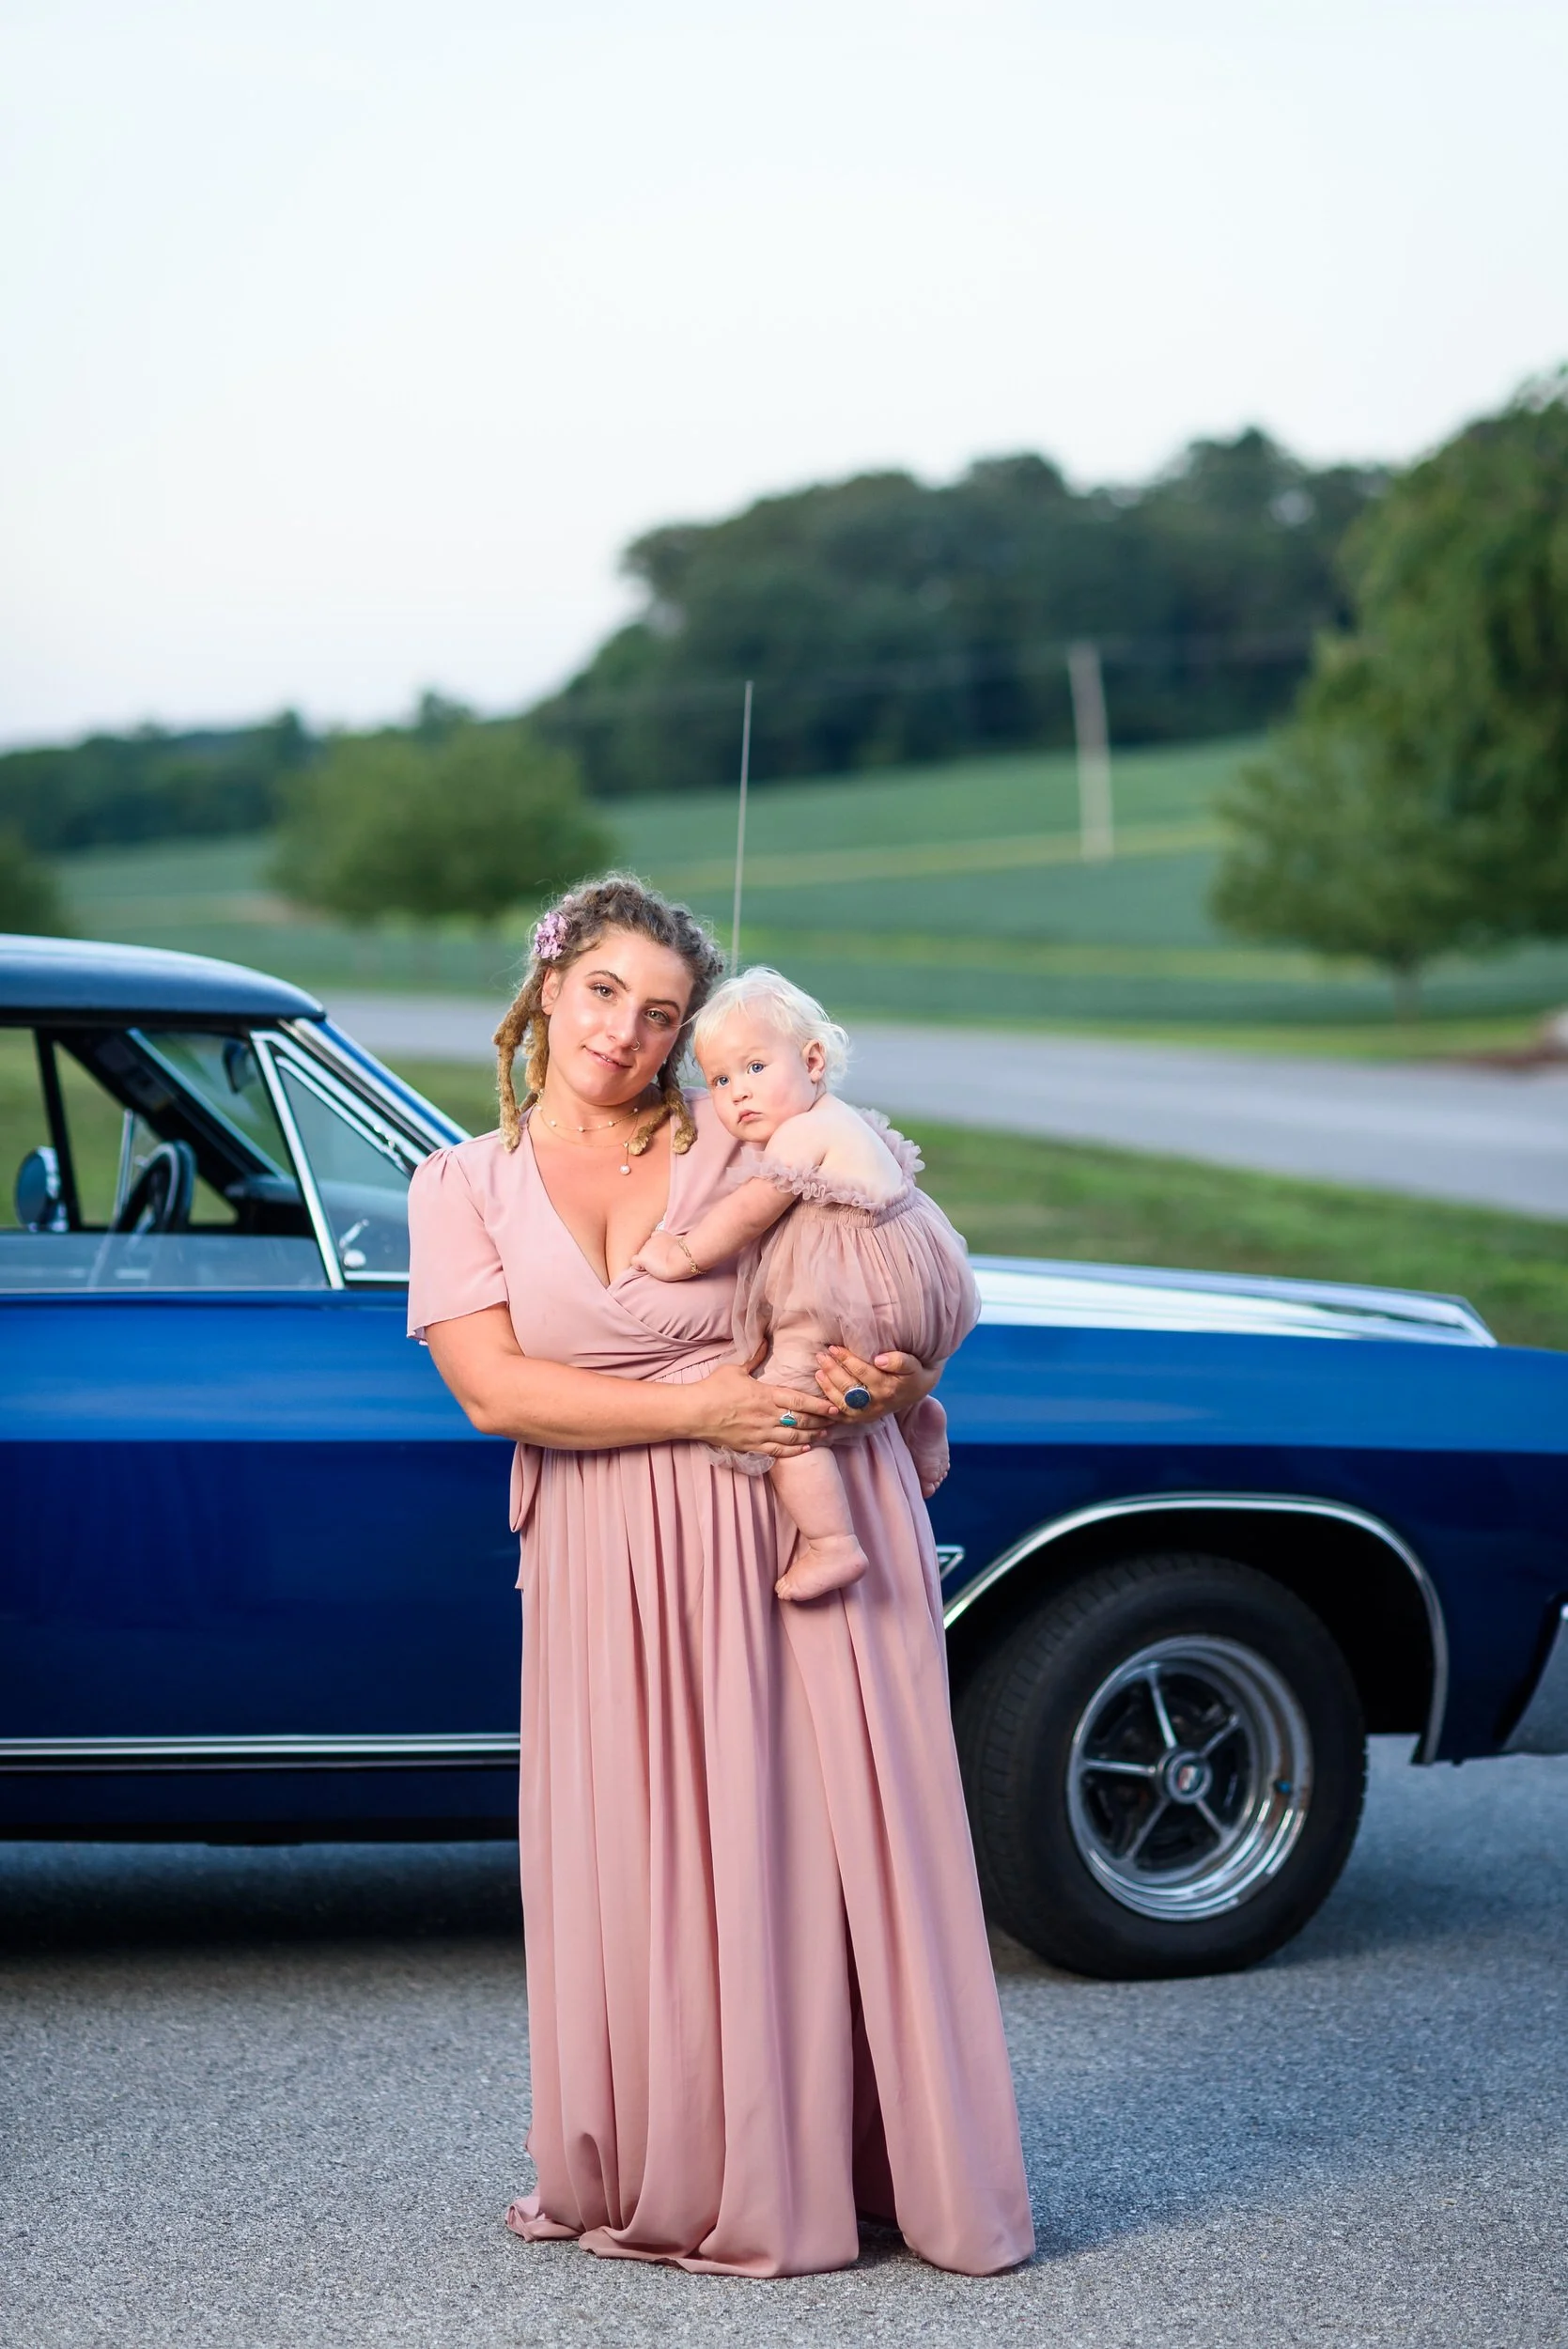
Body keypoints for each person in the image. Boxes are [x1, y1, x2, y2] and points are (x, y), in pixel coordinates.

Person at [407, 874, 1034, 2279]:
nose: (625, 1032)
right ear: (549, 988)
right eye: (603, 993)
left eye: (663, 1013)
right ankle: (693, 2166)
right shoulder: (461, 1184)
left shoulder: (744, 1133)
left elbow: (900, 1268)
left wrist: (900, 1378)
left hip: (796, 1528)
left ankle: (872, 2167)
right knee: (644, 1862)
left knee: (824, 1851)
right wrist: (705, 1407)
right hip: (605, 1560)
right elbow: (494, 1390)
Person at [633, 967, 977, 1603]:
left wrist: (682, 1254)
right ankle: (917, 1411)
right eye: (720, 1080)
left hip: (857, 1288)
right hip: (918, 1288)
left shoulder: (801, 1132)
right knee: (871, 1360)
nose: (737, 1092)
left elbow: (748, 1212)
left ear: (813, 1061)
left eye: (755, 1067)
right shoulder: (848, 1121)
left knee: (783, 1409)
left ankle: (831, 1543)